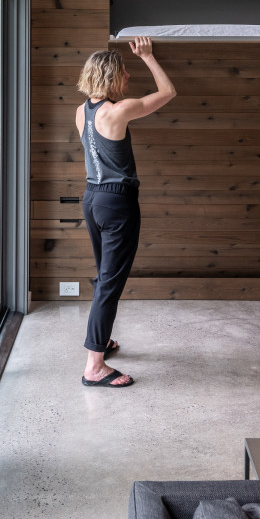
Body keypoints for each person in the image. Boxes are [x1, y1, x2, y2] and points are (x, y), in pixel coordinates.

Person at [75, 36, 176, 387]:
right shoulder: (118, 111)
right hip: (116, 202)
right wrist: (148, 56)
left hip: (91, 198)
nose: (128, 77)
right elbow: (167, 92)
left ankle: (99, 343)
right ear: (109, 77)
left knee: (105, 278)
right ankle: (95, 367)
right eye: (123, 73)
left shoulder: (82, 111)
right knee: (109, 284)